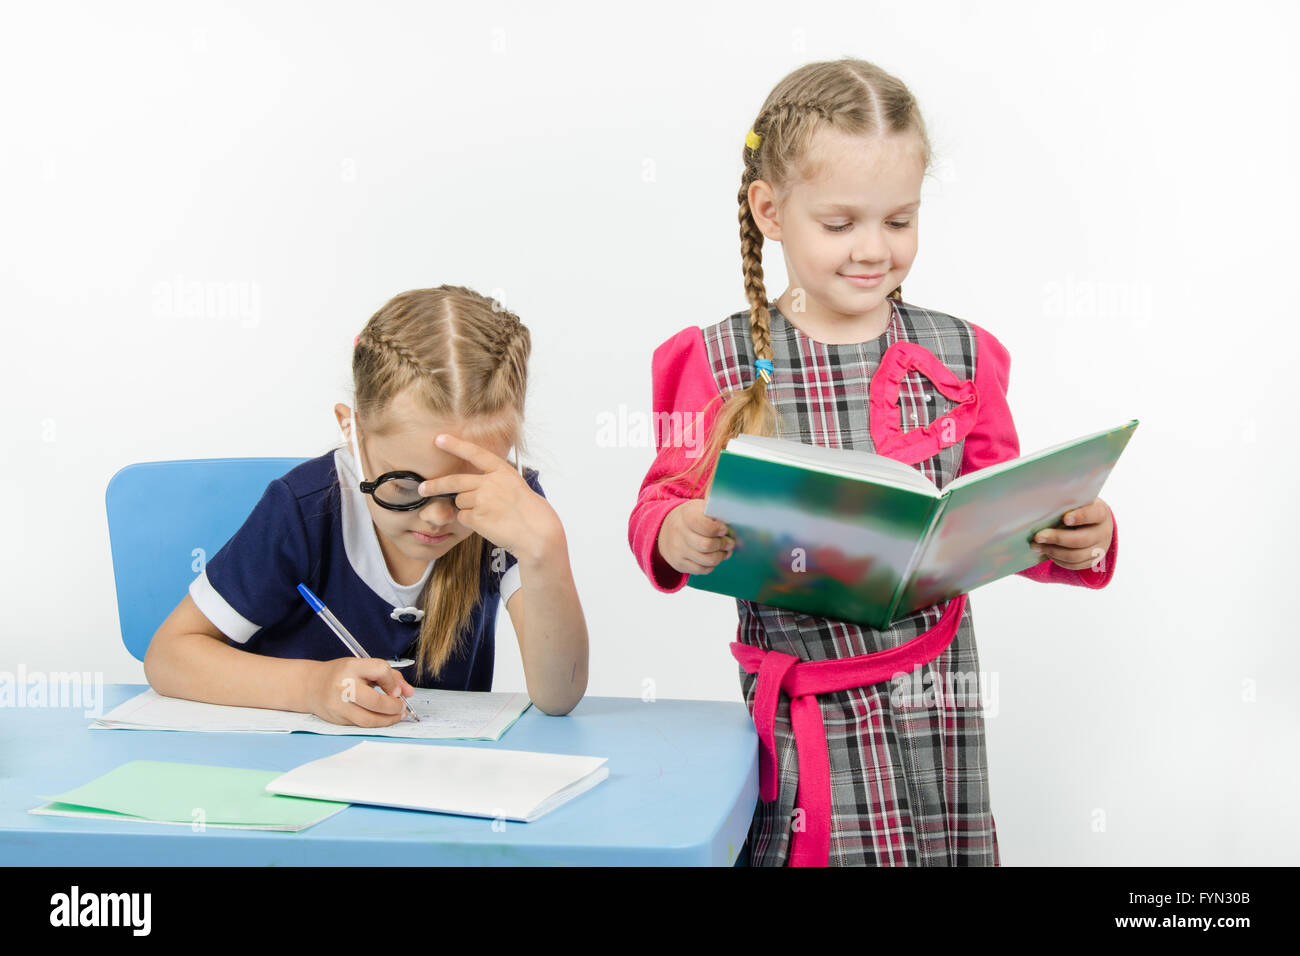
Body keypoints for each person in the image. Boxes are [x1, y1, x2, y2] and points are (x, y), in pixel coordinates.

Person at [628, 58, 1119, 866]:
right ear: (771, 210)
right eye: (840, 222)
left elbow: (1000, 500)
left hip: (938, 697)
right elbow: (659, 506)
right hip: (809, 707)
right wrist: (677, 530)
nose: (872, 249)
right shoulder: (712, 360)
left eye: (899, 221)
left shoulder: (960, 351)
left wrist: (1074, 530)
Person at [146, 285, 588, 726]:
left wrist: (545, 549)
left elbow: (557, 695)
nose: (437, 516)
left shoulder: (509, 509)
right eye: (404, 485)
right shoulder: (303, 510)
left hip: (434, 782)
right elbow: (169, 657)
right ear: (351, 430)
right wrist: (311, 688)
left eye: (463, 487)